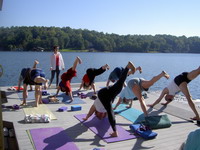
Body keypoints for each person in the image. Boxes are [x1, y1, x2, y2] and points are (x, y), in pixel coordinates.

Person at [83, 61, 138, 137]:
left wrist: (87, 117)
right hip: (109, 94)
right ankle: (128, 69)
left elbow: (91, 110)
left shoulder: (96, 106)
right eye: (101, 117)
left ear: (97, 113)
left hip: (103, 94)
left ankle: (115, 132)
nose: (101, 117)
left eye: (98, 116)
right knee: (120, 83)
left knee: (110, 110)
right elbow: (111, 116)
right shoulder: (104, 112)